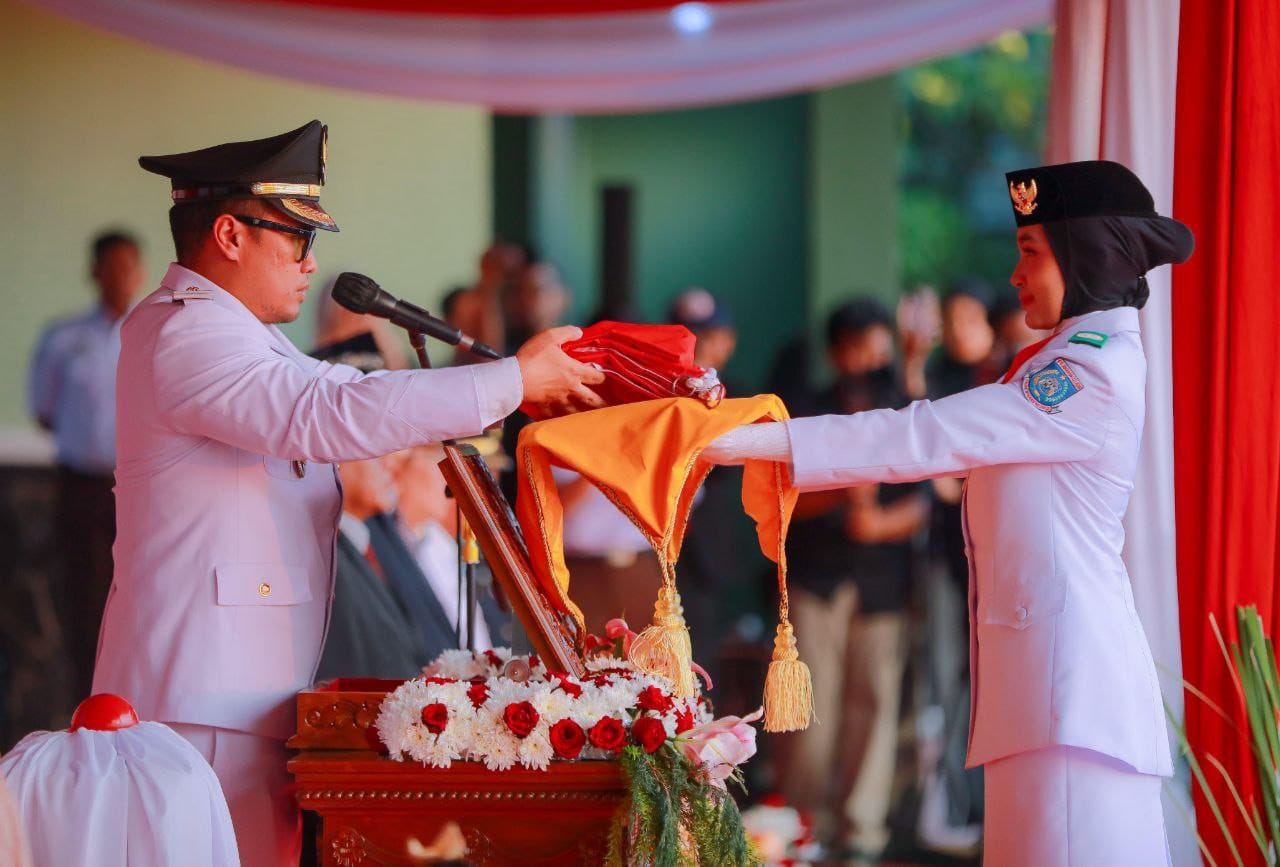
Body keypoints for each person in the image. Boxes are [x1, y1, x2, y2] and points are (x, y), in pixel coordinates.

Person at [91, 120, 604, 867]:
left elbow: (339, 393)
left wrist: (510, 384)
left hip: (242, 693)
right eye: (296, 237)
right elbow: (328, 411)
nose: (310, 262)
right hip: (199, 702)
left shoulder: (240, 335)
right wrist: (513, 381)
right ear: (230, 235)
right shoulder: (185, 333)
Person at [703, 160, 1194, 866]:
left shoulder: (1090, 370)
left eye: (1031, 252)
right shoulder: (1069, 357)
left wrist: (727, 439)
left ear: (1086, 253)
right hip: (1049, 700)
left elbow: (920, 435)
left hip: (1072, 702)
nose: (1015, 276)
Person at [780, 299, 930, 859]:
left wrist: (879, 523)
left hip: (883, 583)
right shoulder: (808, 410)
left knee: (876, 703)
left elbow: (924, 499)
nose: (872, 358)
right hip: (818, 578)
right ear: (838, 352)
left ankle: (862, 832)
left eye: (878, 346)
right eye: (861, 346)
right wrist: (843, 492)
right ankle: (803, 827)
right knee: (811, 707)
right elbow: (781, 500)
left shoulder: (903, 407)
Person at [27, 229, 146, 701]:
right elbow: (43, 411)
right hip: (80, 486)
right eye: (110, 266)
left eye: (128, 266)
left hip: (139, 489)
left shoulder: (154, 334)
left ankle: (135, 708)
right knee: (84, 599)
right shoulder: (64, 338)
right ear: (94, 272)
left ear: (139, 273)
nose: (120, 277)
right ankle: (87, 704)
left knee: (138, 599)